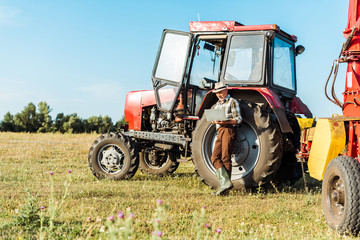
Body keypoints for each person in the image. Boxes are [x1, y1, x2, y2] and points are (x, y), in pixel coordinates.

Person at [210, 82, 242, 195]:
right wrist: (215, 120)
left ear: (226, 91)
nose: (219, 94)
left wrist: (225, 121)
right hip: (220, 130)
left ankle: (225, 188)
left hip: (229, 129)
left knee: (225, 157)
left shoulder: (232, 102)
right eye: (217, 93)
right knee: (214, 157)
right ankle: (225, 183)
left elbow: (238, 119)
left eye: (220, 92)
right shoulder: (217, 105)